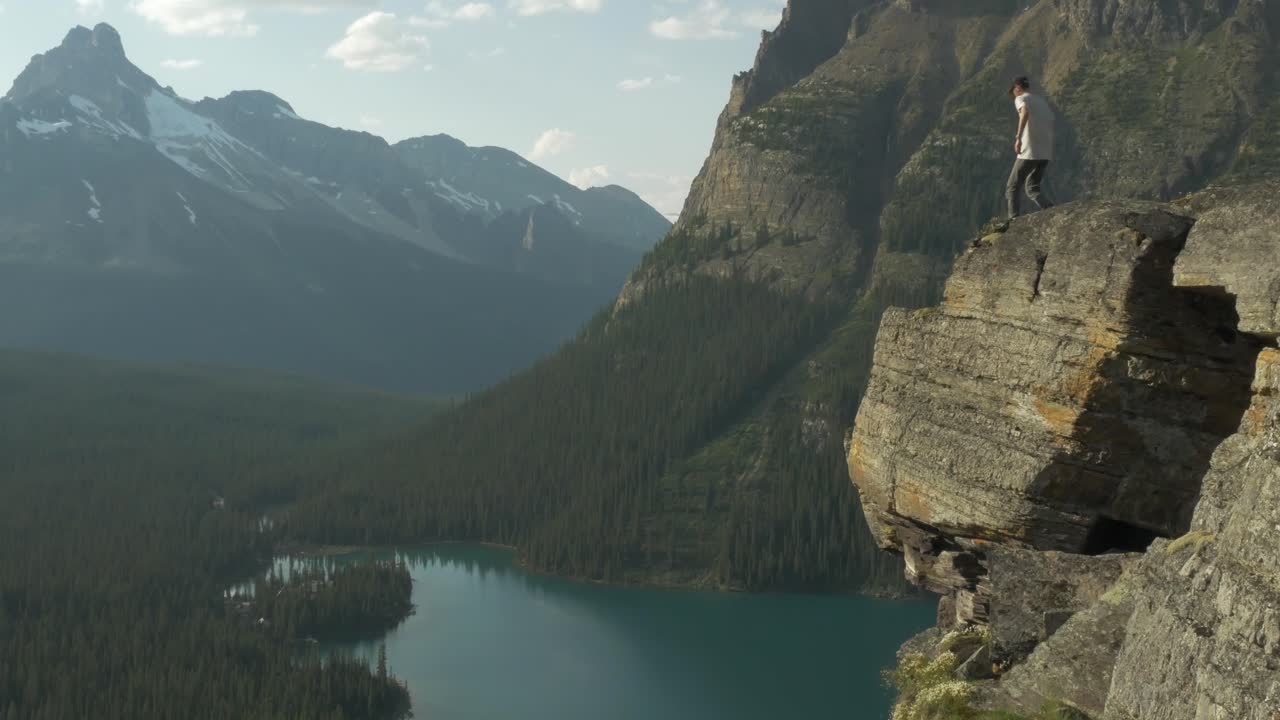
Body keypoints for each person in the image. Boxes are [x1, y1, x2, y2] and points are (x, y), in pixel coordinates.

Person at [1005, 76, 1055, 220]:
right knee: (1032, 188)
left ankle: (1013, 220)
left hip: (1030, 150)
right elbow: (1051, 121)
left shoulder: (1021, 98)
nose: (1013, 94)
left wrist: (1018, 138)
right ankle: (1051, 209)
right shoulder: (1042, 102)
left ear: (1017, 87)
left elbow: (1025, 112)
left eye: (1013, 91)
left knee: (1012, 186)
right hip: (1045, 152)